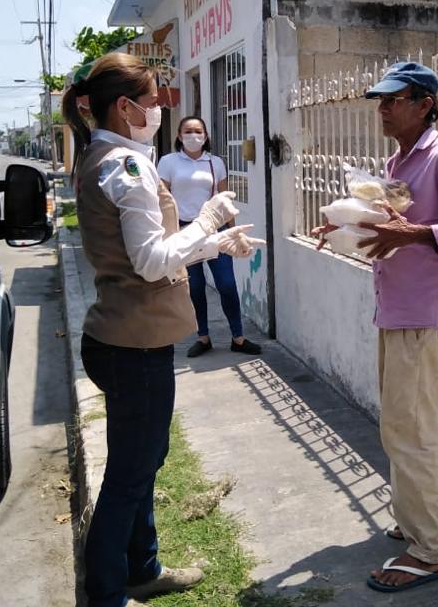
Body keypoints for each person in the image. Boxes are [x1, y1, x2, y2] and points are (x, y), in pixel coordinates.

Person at [62, 52, 263, 607]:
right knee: (131, 472)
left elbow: (151, 254)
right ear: (125, 107)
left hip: (128, 338)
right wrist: (208, 219)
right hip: (133, 344)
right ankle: (107, 592)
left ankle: (142, 567)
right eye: (152, 102)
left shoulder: (109, 157)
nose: (160, 111)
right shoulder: (124, 166)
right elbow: (151, 262)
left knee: (144, 461)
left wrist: (214, 244)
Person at [313, 61, 438, 593]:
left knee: (405, 430)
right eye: (381, 101)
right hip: (396, 307)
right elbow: (388, 225)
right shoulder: (398, 161)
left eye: (394, 99)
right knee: (419, 422)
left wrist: (414, 234)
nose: (383, 109)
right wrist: (345, 225)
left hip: (420, 312)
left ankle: (426, 552)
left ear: (424, 104)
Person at [157, 116, 261, 358]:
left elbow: (225, 201)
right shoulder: (168, 162)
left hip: (215, 231)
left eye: (198, 131)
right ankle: (202, 337)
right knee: (194, 287)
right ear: (179, 136)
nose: (193, 135)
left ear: (205, 136)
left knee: (227, 284)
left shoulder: (215, 162)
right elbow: (162, 200)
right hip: (184, 232)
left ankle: (238, 338)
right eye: (188, 131)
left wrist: (234, 233)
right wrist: (167, 233)